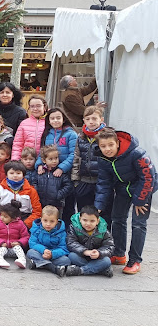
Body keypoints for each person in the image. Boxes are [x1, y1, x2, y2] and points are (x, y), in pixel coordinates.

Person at [94, 127, 156, 275]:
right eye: (103, 146)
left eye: (110, 145)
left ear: (117, 143)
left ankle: (135, 260)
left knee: (138, 224)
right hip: (122, 189)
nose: (107, 149)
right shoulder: (102, 158)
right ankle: (119, 254)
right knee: (117, 219)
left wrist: (140, 200)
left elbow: (148, 177)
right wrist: (99, 205)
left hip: (143, 188)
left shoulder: (136, 153)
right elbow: (104, 183)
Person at [35, 107, 78, 225]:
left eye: (58, 118)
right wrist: (40, 164)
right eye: (52, 118)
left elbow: (74, 154)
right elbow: (42, 152)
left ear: (63, 119)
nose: (55, 121)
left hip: (65, 173)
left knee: (68, 206)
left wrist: (62, 168)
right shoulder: (46, 134)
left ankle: (67, 231)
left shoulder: (71, 134)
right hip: (49, 173)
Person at [71, 106, 110, 221]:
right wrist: (76, 181)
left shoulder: (107, 135)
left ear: (101, 119)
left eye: (94, 118)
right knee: (84, 213)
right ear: (84, 120)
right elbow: (76, 158)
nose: (91, 122)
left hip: (101, 182)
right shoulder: (81, 137)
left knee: (103, 214)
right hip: (84, 181)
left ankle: (104, 233)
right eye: (88, 119)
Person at [0, 161, 42, 229]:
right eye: (11, 173)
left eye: (18, 173)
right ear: (6, 174)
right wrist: (0, 219)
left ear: (23, 175)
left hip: (24, 220)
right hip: (3, 218)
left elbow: (37, 211)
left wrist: (25, 224)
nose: (15, 175)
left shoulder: (31, 191)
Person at [65, 206, 114, 277]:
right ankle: (100, 270)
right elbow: (71, 242)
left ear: (97, 221)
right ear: (80, 219)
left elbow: (109, 247)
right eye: (85, 220)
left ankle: (80, 270)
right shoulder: (74, 227)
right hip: (81, 256)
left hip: (96, 258)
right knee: (72, 256)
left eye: (92, 221)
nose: (88, 224)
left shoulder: (103, 230)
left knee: (106, 261)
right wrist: (85, 251)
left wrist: (99, 253)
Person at [25, 206, 71, 277]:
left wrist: (52, 254)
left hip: (54, 256)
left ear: (57, 221)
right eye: (45, 220)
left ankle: (39, 264)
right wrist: (43, 250)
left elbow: (64, 248)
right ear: (41, 219)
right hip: (41, 253)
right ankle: (52, 268)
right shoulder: (36, 229)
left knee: (66, 260)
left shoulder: (61, 232)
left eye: (52, 221)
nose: (48, 224)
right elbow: (32, 243)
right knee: (30, 252)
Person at [0, 200, 30, 269]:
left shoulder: (20, 224)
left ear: (13, 218)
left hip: (13, 249)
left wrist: (19, 242)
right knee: (1, 249)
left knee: (18, 248)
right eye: (1, 215)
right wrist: (0, 243)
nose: (2, 218)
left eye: (5, 216)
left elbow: (26, 236)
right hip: (1, 246)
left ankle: (22, 259)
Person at [11, 94, 47, 160]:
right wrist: (15, 160)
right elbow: (18, 144)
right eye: (32, 106)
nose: (35, 109)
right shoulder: (24, 123)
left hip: (45, 160)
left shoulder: (50, 122)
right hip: (27, 160)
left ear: (44, 107)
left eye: (38, 106)